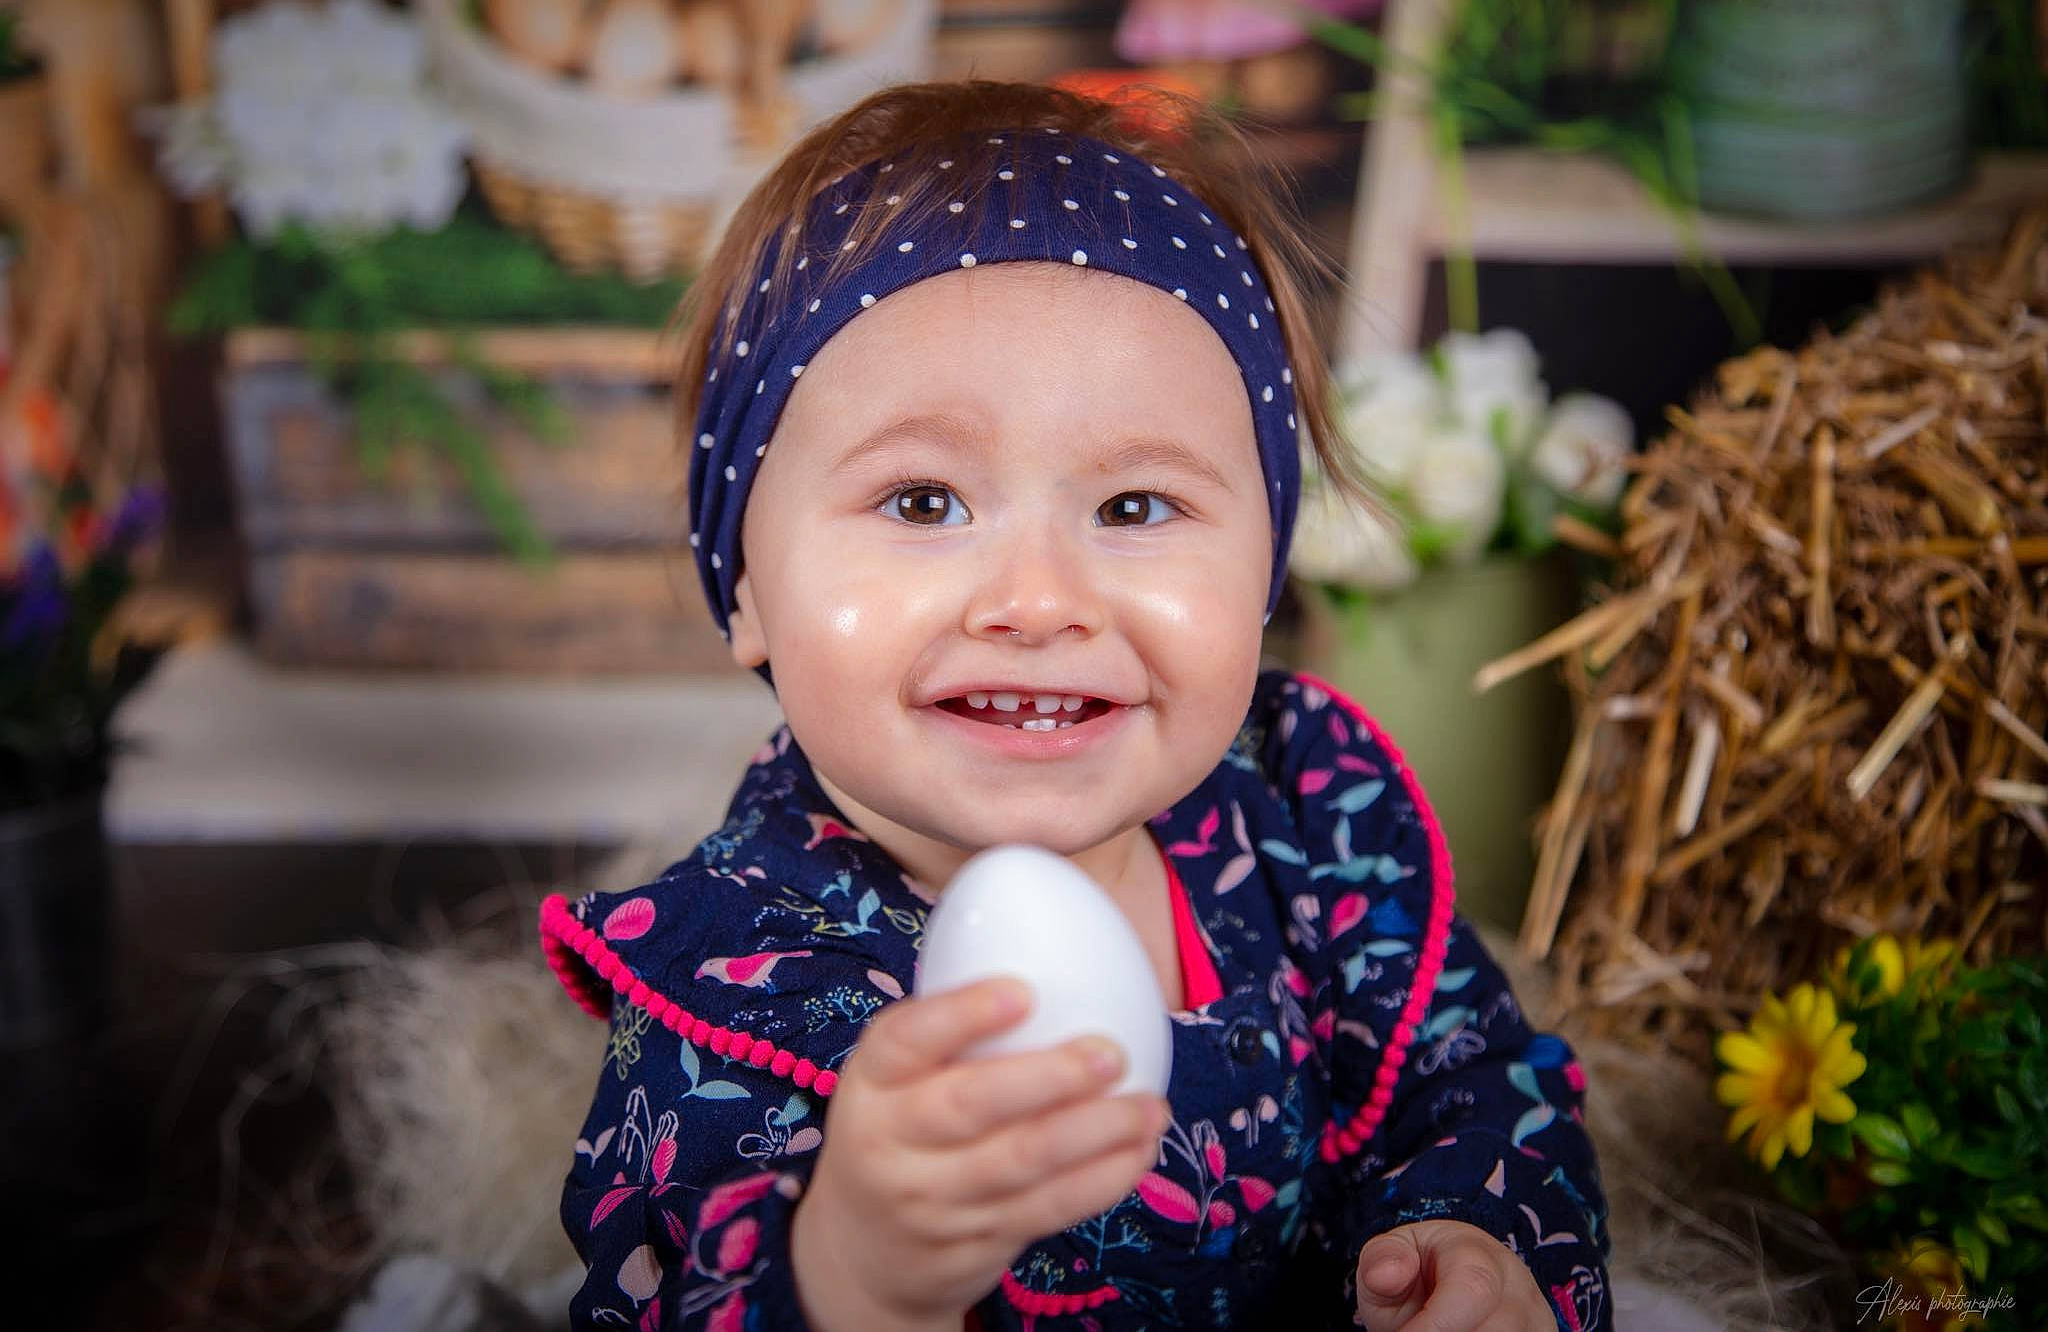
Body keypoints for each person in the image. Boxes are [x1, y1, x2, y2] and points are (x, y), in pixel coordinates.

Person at [540, 79, 1611, 1331]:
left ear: (1264, 572)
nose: (1039, 601)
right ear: (747, 595)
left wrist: (1474, 1239)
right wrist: (852, 1273)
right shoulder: (726, 985)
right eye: (923, 503)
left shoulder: (1305, 816)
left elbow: (1478, 1084)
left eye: (1134, 509)